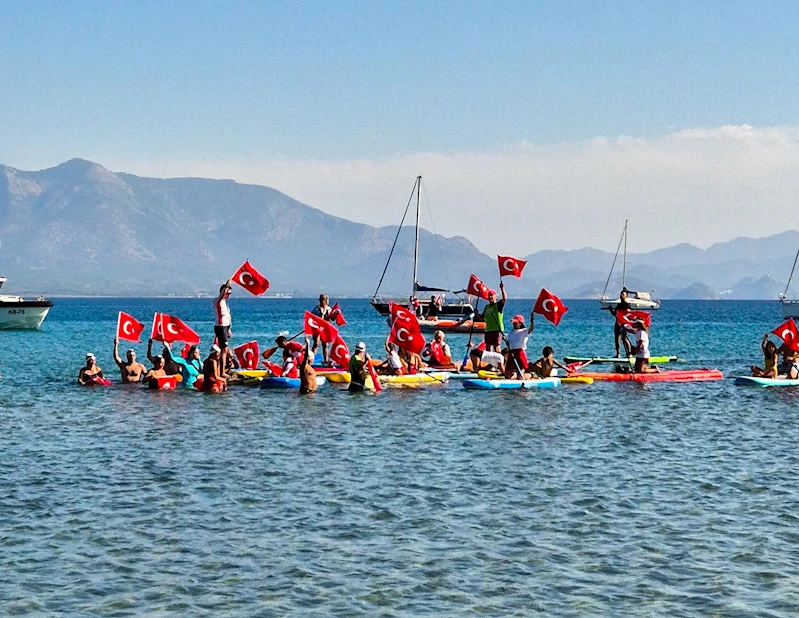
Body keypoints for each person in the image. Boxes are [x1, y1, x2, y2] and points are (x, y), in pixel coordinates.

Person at [477, 281, 507, 352]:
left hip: (497, 330)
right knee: (488, 348)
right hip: (488, 330)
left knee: (497, 348)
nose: (490, 297)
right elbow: (482, 318)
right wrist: (476, 313)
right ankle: (490, 362)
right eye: (489, 295)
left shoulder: (498, 305)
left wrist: (502, 289)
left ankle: (499, 361)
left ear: (495, 296)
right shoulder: (486, 307)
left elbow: (504, 299)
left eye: (492, 295)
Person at [505, 313, 535, 378]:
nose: (514, 323)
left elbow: (531, 328)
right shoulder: (510, 332)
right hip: (512, 353)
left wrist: (532, 320)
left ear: (520, 323)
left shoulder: (524, 331)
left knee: (520, 375)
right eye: (513, 322)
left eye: (516, 322)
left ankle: (531, 375)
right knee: (507, 374)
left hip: (520, 353)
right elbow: (510, 343)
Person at [213, 282, 233, 376]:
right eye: (227, 293)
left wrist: (229, 329)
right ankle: (222, 372)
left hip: (225, 327)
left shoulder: (225, 303)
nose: (228, 295)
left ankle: (222, 370)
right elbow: (221, 295)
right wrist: (227, 285)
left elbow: (228, 317)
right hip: (220, 327)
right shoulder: (218, 301)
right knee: (223, 349)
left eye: (230, 294)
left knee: (224, 349)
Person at [608, 288, 633, 357]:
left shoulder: (627, 305)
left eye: (623, 294)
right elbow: (615, 314)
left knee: (624, 338)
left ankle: (629, 354)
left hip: (624, 324)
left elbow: (629, 314)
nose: (621, 295)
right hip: (617, 323)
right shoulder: (618, 305)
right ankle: (618, 354)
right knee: (617, 339)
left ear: (626, 296)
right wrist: (611, 310)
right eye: (621, 294)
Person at [311, 294, 333, 363]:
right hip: (317, 328)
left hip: (325, 329)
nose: (322, 301)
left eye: (323, 300)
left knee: (325, 344)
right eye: (321, 300)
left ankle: (326, 360)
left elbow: (332, 318)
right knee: (316, 344)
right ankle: (310, 359)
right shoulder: (316, 309)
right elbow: (311, 317)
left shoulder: (329, 309)